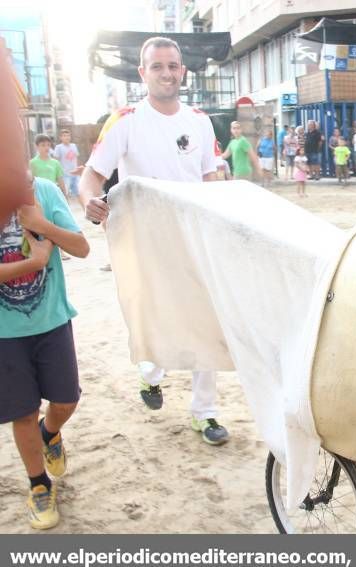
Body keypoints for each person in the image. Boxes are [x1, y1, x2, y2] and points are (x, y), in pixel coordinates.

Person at [78, 36, 230, 445]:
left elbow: (211, 178)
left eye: (173, 66)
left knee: (206, 320)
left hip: (193, 237)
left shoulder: (199, 120)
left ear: (183, 71)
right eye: (157, 66)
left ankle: (206, 412)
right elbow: (92, 175)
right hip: (142, 240)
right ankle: (150, 376)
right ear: (142, 73)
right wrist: (89, 200)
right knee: (151, 316)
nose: (166, 73)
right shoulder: (125, 119)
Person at [1, 171, 90, 529]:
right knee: (22, 412)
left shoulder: (45, 192)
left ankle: (49, 433)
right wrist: (33, 263)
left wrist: (40, 224)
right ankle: (39, 483)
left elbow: (82, 248)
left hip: (52, 321)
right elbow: (37, 260)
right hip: (5, 333)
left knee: (66, 401)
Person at [52, 130, 80, 198]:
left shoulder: (74, 146)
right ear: (61, 137)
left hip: (75, 174)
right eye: (64, 136)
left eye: (68, 135)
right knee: (65, 194)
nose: (67, 137)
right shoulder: (58, 147)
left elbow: (76, 158)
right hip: (65, 175)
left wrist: (78, 170)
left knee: (79, 194)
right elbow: (56, 161)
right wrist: (57, 175)